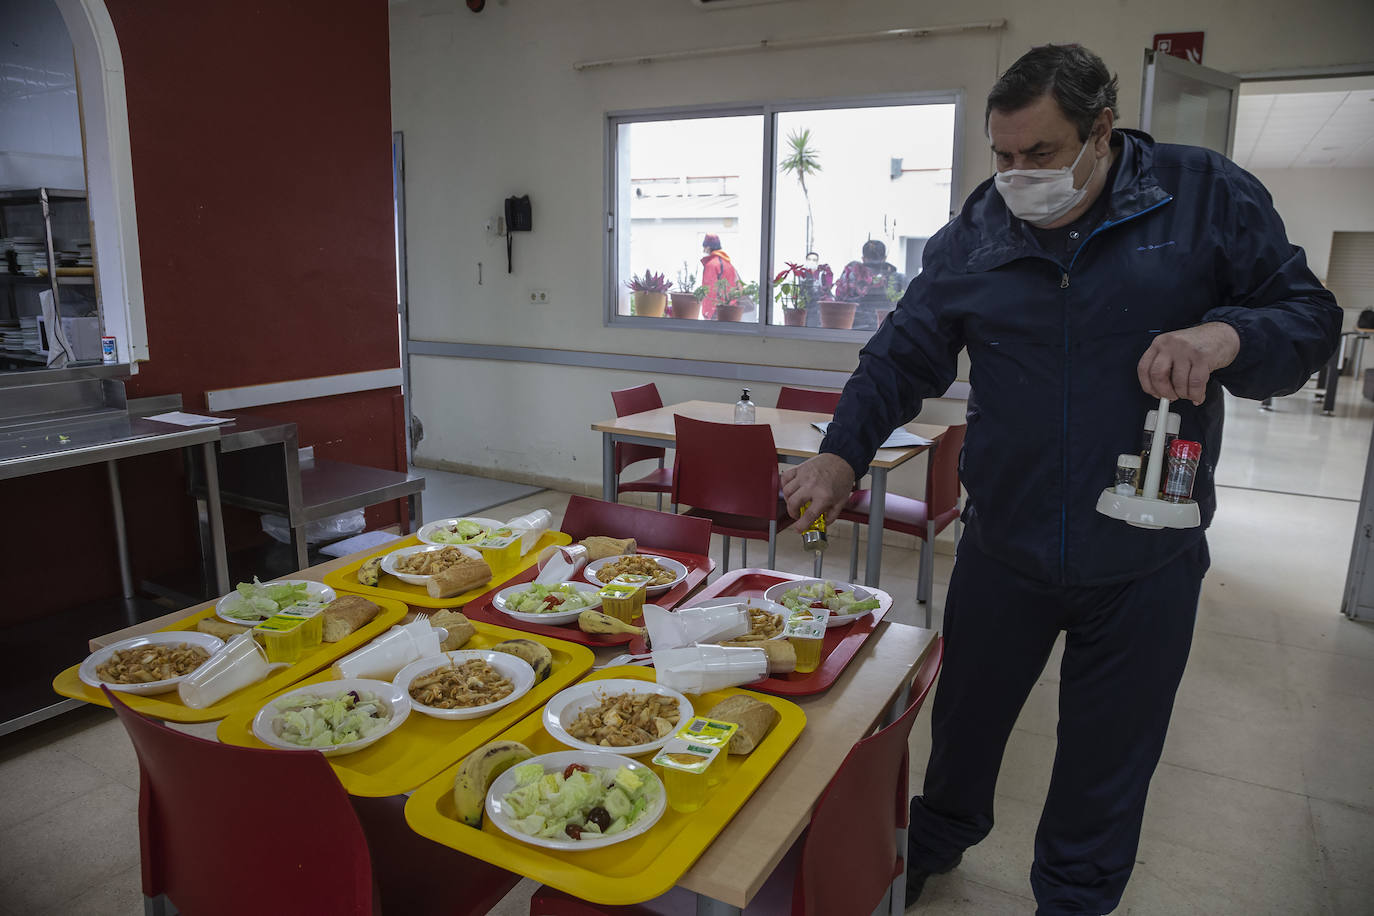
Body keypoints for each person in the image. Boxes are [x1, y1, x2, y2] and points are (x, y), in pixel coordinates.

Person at [781, 44, 1340, 915]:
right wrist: (841, 451)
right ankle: (935, 843)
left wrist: (1226, 337)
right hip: (1006, 542)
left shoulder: (1202, 197)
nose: (1016, 176)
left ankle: (1074, 900)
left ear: (1100, 131)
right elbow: (903, 352)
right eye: (1001, 157)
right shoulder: (979, 230)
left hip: (1146, 555)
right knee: (963, 726)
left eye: (1039, 155)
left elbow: (1307, 318)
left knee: (1106, 756)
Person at [834, 239, 905, 330]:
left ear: (863, 259)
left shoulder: (850, 275)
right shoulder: (898, 279)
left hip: (853, 329)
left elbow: (840, 302)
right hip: (886, 329)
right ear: (884, 258)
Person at [698, 233, 739, 320]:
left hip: (716, 312)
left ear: (708, 247)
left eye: (704, 247)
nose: (703, 250)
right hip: (731, 311)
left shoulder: (711, 265)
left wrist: (707, 313)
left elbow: (709, 291)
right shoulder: (728, 264)